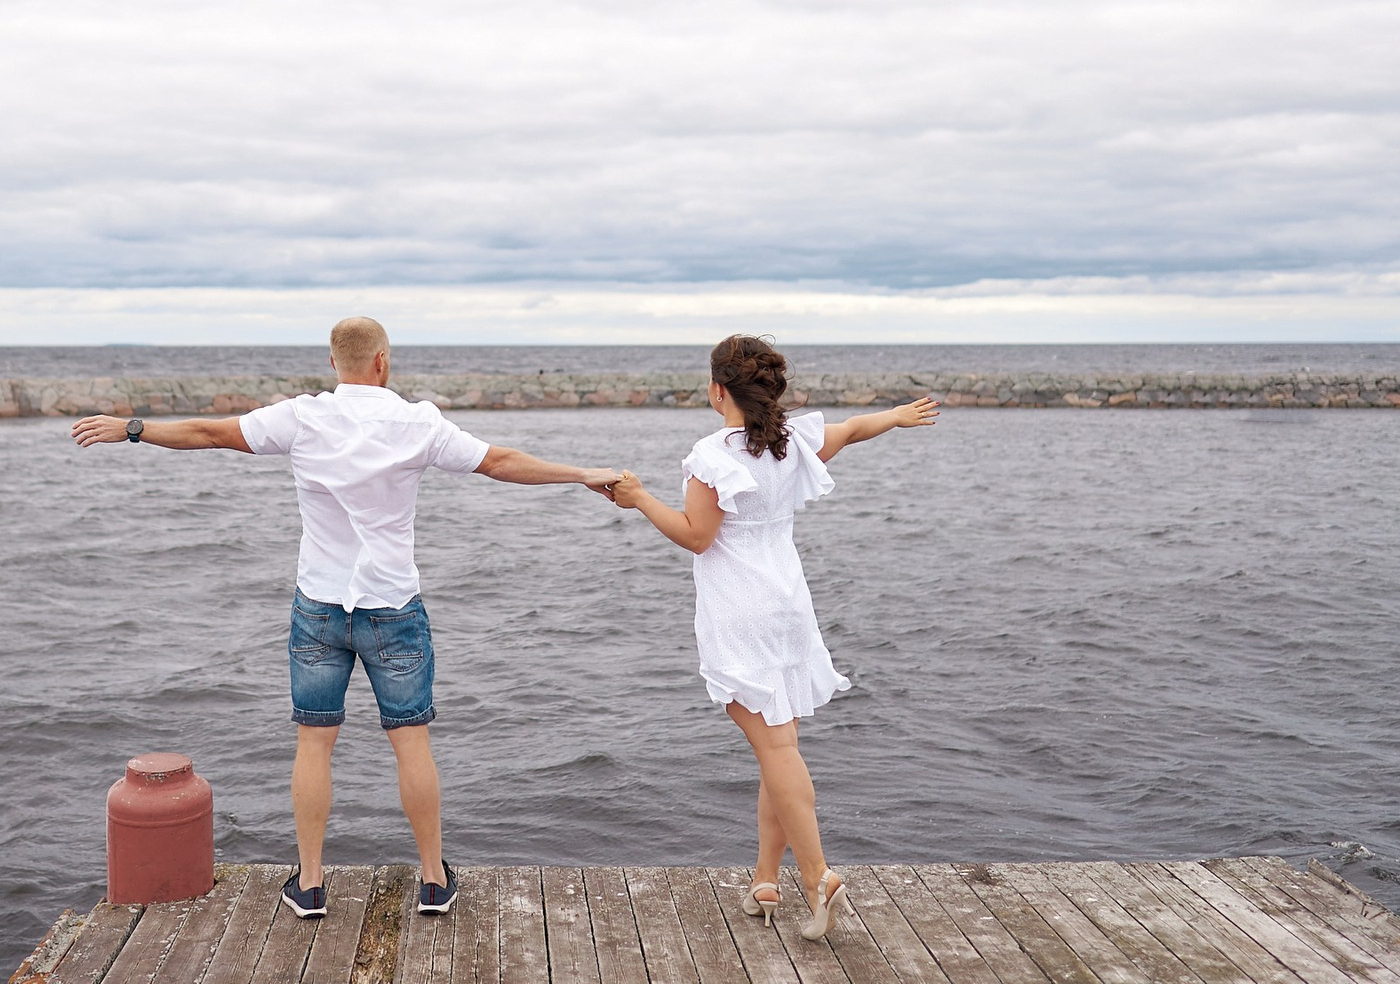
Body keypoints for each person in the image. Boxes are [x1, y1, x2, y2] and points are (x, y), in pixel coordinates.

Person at [70, 316, 621, 921]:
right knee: (411, 745)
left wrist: (133, 429)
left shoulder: (303, 417)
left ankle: (309, 885)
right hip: (392, 607)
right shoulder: (418, 422)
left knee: (315, 745)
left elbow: (208, 431)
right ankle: (434, 882)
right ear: (383, 362)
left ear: (335, 364)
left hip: (320, 608)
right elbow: (503, 462)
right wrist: (583, 475)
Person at [608, 336, 937, 936]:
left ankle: (818, 876)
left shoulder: (714, 456)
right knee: (775, 748)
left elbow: (696, 536)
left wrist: (637, 499)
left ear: (716, 390)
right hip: (788, 604)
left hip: (741, 610)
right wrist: (899, 416)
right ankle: (766, 877)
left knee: (777, 750)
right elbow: (856, 428)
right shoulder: (794, 442)